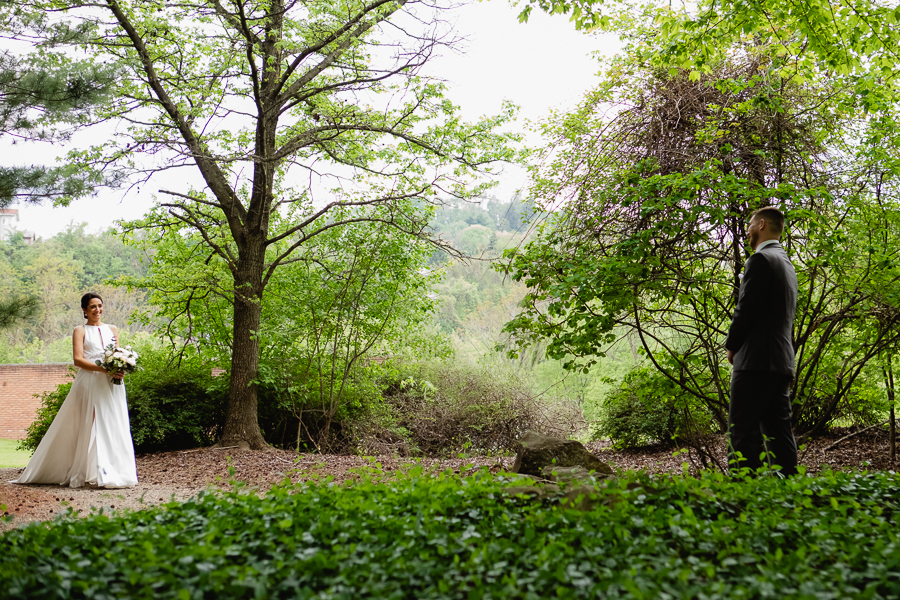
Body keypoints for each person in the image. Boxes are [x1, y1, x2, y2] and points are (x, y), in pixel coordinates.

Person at [11, 292, 138, 488]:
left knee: (114, 422)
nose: (97, 310)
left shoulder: (112, 329)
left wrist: (119, 370)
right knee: (86, 422)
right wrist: (103, 369)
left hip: (112, 384)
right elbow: (78, 359)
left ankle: (117, 472)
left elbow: (117, 354)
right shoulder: (80, 330)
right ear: (85, 310)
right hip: (89, 381)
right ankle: (76, 469)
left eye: (100, 305)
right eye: (93, 306)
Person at [725, 206, 799, 476]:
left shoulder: (761, 260)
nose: (747, 231)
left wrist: (732, 346)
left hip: (755, 361)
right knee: (779, 433)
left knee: (742, 432)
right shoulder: (786, 263)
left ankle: (743, 498)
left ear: (762, 225)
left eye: (750, 225)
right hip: (780, 361)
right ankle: (789, 491)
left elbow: (746, 309)